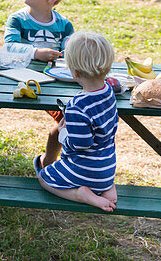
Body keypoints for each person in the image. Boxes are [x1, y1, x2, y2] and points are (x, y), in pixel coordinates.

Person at [36, 30, 118, 212]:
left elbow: (80, 145)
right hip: (107, 168)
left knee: (44, 177)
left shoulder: (77, 106)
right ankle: (107, 188)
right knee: (98, 174)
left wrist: (64, 133)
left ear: (75, 73)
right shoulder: (109, 92)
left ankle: (81, 195)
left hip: (85, 169)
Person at [4, 0, 75, 169]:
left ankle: (49, 162)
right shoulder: (17, 19)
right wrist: (36, 53)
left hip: (56, 82)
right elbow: (8, 48)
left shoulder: (64, 25)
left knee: (69, 119)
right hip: (21, 80)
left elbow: (69, 53)